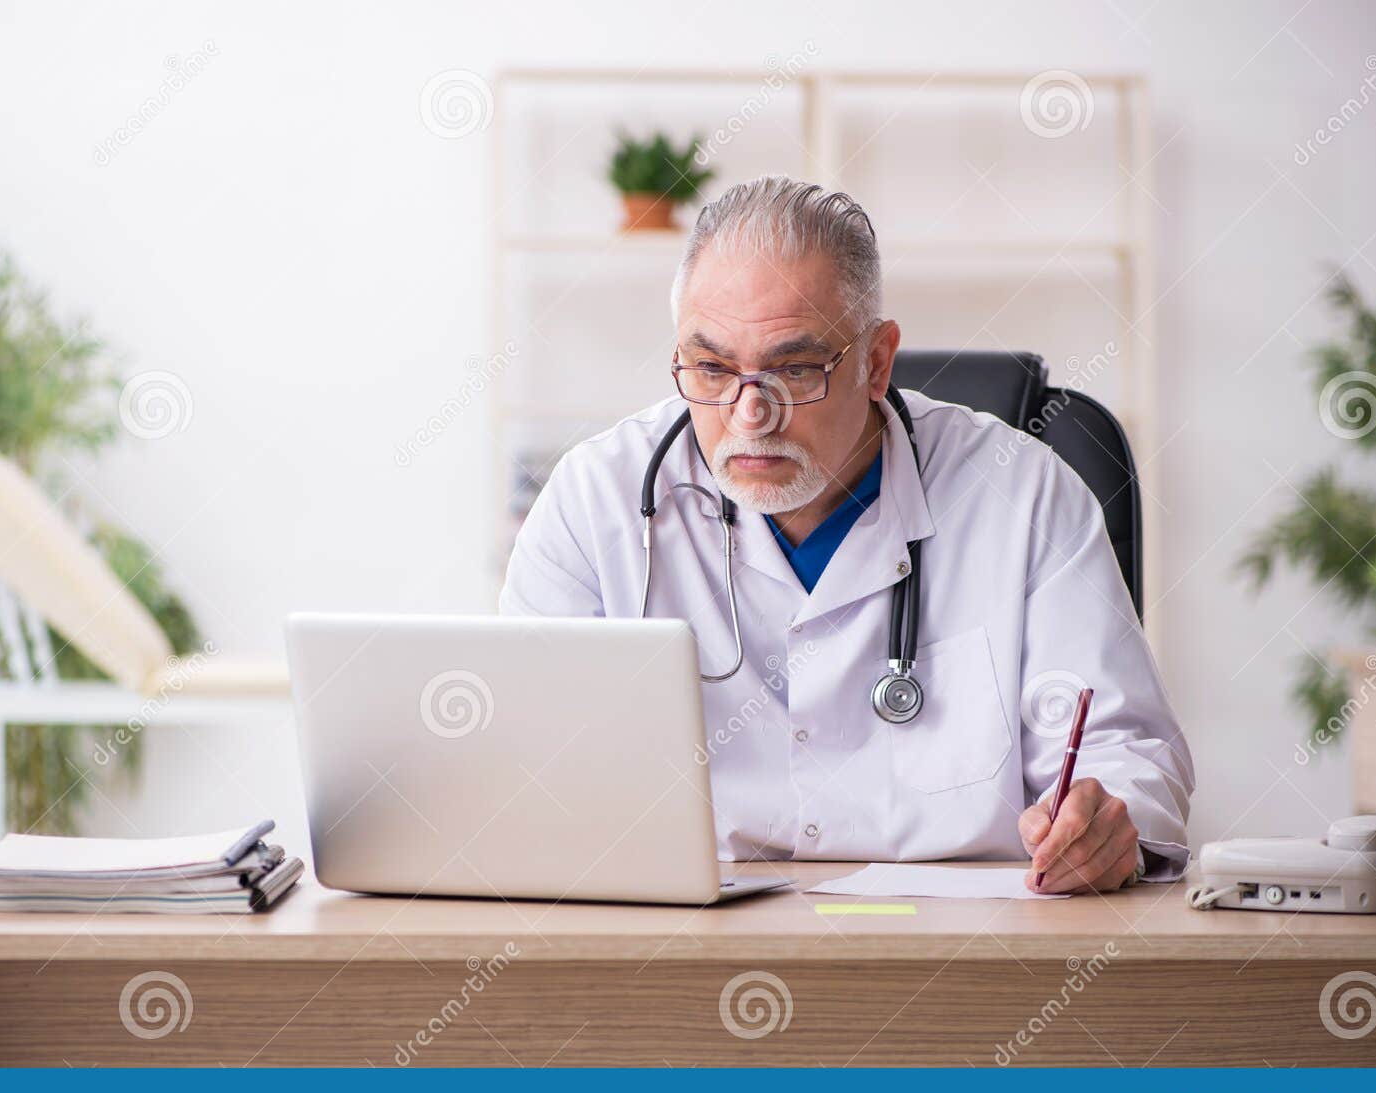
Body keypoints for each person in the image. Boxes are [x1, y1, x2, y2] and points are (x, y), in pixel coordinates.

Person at [499, 175, 1193, 894]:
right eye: (711, 368)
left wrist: (1110, 825)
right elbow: (518, 764)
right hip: (682, 945)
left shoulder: (1023, 495)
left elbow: (1125, 752)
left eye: (795, 370)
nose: (749, 414)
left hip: (971, 954)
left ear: (877, 362)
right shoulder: (596, 500)